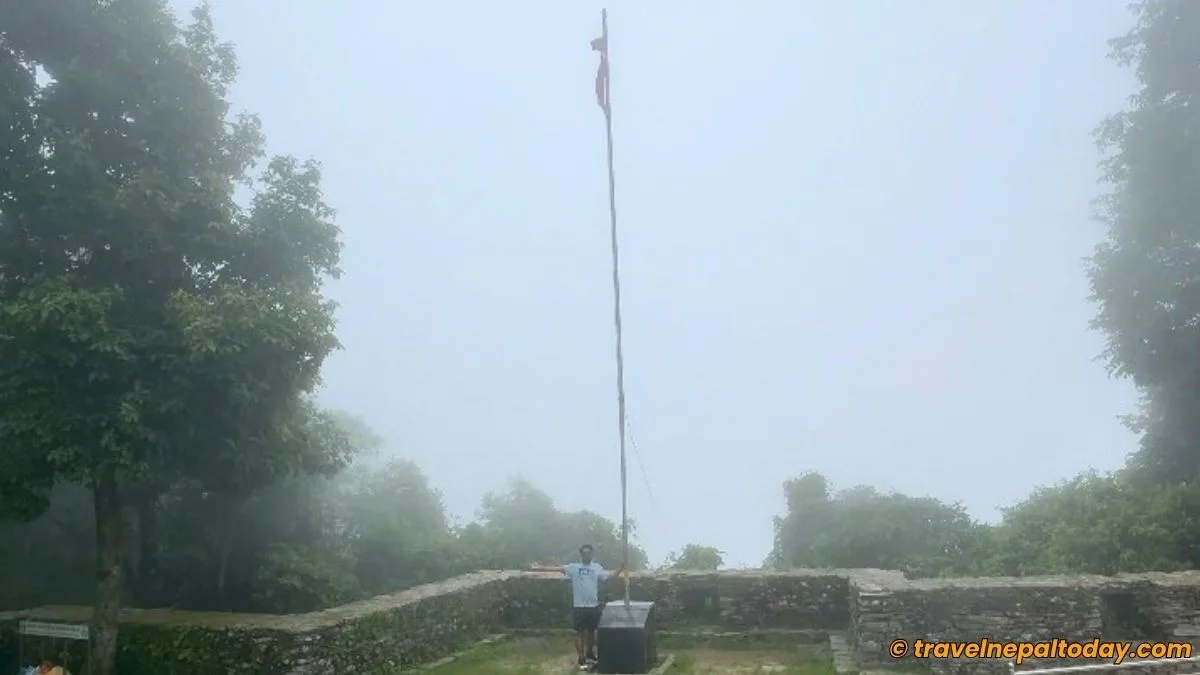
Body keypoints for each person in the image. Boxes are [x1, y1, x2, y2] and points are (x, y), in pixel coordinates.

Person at [531, 544, 627, 670]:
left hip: (593, 605)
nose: (587, 555)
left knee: (591, 631)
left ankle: (590, 653)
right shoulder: (573, 568)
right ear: (581, 555)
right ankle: (581, 657)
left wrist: (621, 568)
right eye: (584, 553)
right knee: (580, 633)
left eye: (589, 553)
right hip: (579, 606)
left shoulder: (597, 568)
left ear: (592, 555)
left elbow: (609, 576)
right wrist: (538, 568)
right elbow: (557, 568)